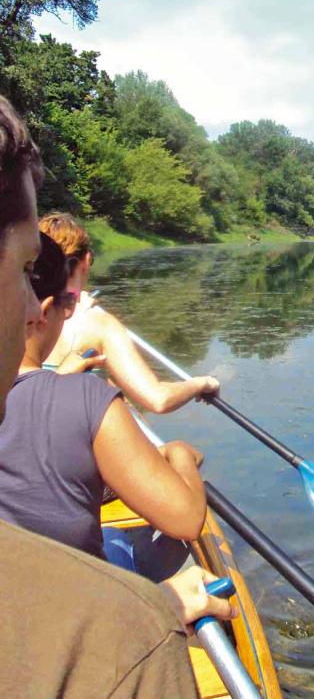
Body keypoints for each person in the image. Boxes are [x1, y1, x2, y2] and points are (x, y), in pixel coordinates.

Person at [0, 95, 236, 697]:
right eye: (22, 271)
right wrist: (181, 452)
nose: (32, 308)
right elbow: (156, 407)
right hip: (85, 598)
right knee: (137, 559)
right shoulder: (89, 370)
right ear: (63, 298)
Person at [0, 230, 207, 573]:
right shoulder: (87, 397)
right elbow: (186, 521)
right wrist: (180, 455)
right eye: (67, 307)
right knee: (124, 548)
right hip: (76, 600)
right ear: (42, 311)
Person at [41, 212, 220, 414]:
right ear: (87, 260)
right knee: (177, 447)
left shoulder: (22, 314)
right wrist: (202, 383)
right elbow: (158, 400)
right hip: (77, 437)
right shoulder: (98, 324)